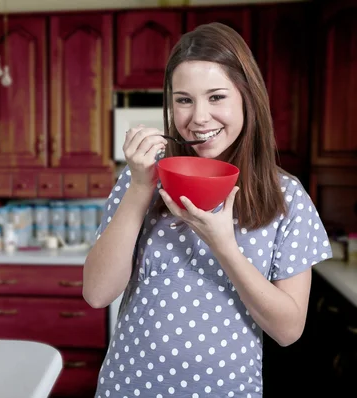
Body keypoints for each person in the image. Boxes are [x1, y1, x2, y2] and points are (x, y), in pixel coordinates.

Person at [83, 22, 332, 398]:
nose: (198, 117)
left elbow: (288, 330)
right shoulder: (143, 175)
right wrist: (139, 187)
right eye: (184, 99)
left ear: (247, 98)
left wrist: (223, 246)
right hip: (127, 388)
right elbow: (97, 293)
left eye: (216, 97)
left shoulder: (286, 197)